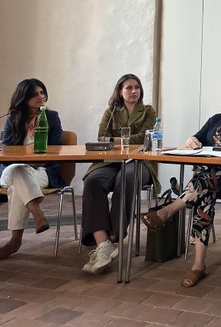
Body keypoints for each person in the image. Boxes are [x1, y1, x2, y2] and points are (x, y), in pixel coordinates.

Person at [142, 79, 221, 287]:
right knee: (204, 196)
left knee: (204, 181)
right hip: (211, 180)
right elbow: (197, 138)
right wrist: (192, 140)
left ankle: (169, 211)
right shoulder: (216, 119)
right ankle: (198, 266)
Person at [81, 73, 159, 274]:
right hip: (111, 161)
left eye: (137, 87)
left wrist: (115, 140)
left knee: (127, 178)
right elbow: (101, 138)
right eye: (129, 88)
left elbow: (145, 137)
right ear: (120, 91)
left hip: (140, 162)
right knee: (92, 181)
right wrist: (120, 141)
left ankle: (114, 236)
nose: (134, 91)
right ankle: (103, 244)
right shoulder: (111, 111)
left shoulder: (148, 111)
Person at [0, 78, 66, 260]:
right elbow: (6, 148)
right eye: (35, 94)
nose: (40, 97)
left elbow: (56, 147)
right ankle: (38, 214)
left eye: (42, 93)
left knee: (17, 184)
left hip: (40, 171)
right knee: (17, 171)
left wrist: (39, 162)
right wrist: (24, 160)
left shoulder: (51, 117)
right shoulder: (13, 117)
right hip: (11, 169)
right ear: (24, 97)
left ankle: (14, 242)